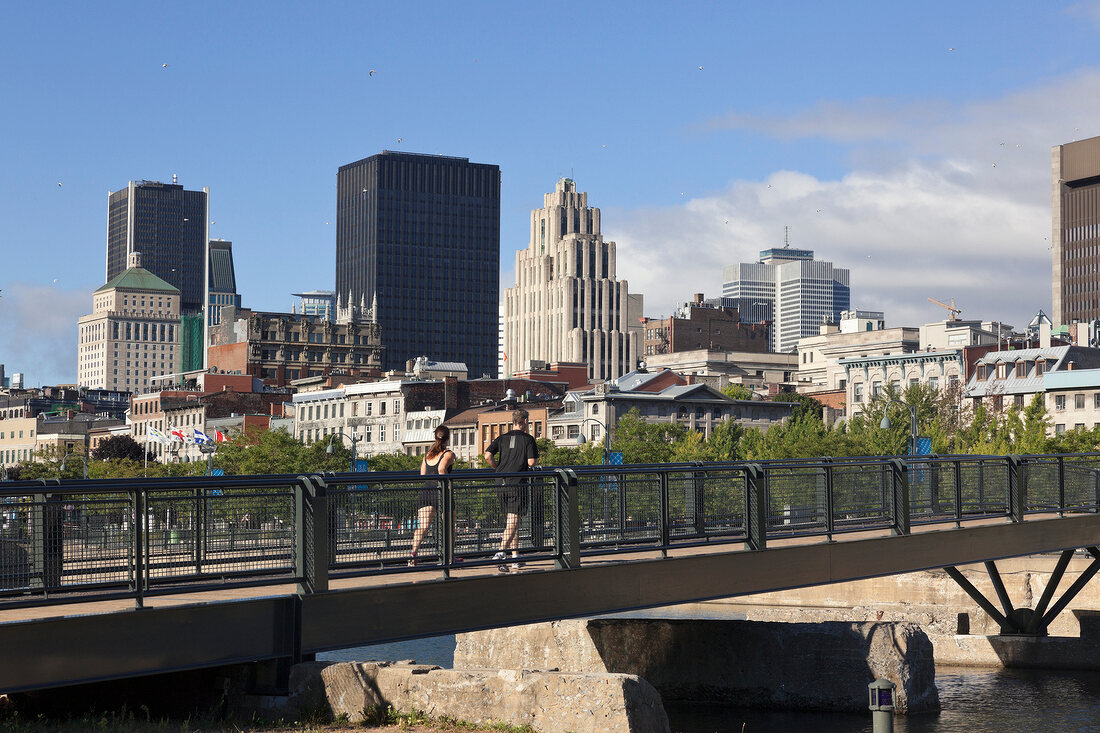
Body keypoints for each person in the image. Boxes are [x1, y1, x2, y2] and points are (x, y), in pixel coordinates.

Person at [484, 407, 539, 573]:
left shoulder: (502, 438)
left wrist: (497, 468)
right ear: (524, 422)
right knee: (513, 521)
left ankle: (515, 558)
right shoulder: (528, 439)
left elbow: (487, 455)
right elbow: (531, 462)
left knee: (511, 520)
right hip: (517, 483)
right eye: (527, 422)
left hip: (500, 482)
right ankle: (500, 553)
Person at [409, 425, 455, 566]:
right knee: (448, 527)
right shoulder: (449, 454)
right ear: (448, 438)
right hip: (441, 492)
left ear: (435, 437)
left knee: (422, 527)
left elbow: (422, 475)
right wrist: (447, 486)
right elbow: (441, 469)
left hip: (426, 492)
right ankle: (448, 558)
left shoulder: (428, 454)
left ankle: (413, 555)